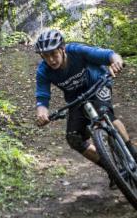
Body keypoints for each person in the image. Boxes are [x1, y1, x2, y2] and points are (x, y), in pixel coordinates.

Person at [34, 28, 137, 182]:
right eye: (46, 56)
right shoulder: (43, 71)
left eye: (54, 54)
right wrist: (42, 113)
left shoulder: (76, 50)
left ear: (62, 49)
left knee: (104, 114)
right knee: (73, 138)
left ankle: (132, 154)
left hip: (98, 85)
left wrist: (116, 61)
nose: (51, 60)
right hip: (76, 99)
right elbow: (42, 97)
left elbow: (107, 55)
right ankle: (113, 171)